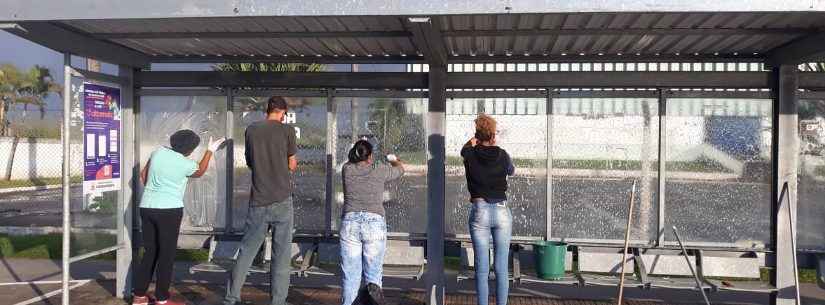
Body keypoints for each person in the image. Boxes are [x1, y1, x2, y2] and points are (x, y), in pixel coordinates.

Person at [132, 130, 225, 305]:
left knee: (150, 252)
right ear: (189, 150)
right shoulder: (185, 163)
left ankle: (139, 296)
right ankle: (161, 298)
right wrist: (210, 150)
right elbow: (200, 171)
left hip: (147, 207)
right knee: (166, 255)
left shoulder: (158, 152)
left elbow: (144, 176)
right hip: (169, 210)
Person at [224, 96, 298, 305]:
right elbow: (292, 165)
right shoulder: (287, 131)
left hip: (258, 199)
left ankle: (231, 298)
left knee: (247, 251)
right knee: (281, 255)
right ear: (282, 112)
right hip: (282, 199)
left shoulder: (252, 130)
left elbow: (250, 162)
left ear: (268, 110)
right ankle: (277, 301)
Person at [340, 140, 404, 305]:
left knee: (351, 277)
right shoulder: (380, 169)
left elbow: (351, 160)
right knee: (373, 277)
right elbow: (400, 170)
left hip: (350, 223)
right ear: (369, 156)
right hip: (374, 224)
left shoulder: (347, 169)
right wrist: (393, 159)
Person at [461, 114, 515, 305]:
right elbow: (511, 170)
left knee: (482, 270)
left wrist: (476, 138)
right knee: (501, 268)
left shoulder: (469, 154)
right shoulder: (503, 154)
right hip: (501, 211)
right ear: (493, 135)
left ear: (477, 135)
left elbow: (465, 148)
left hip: (480, 210)